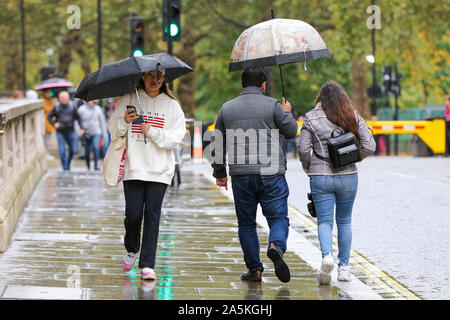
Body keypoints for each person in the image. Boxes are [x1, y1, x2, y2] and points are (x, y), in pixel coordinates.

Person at [210, 68, 298, 283]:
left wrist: (220, 172)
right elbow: (291, 131)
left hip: (241, 174)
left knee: (247, 223)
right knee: (278, 217)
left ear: (241, 84)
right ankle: (276, 245)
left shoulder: (226, 108)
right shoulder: (274, 105)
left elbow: (217, 144)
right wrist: (286, 112)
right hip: (271, 174)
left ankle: (255, 270)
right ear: (263, 85)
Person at [108, 69, 186, 280]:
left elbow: (175, 137)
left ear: (164, 80)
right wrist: (124, 120)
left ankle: (147, 265)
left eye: (159, 77)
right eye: (150, 76)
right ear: (142, 76)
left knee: (153, 216)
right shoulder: (129, 98)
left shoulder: (171, 106)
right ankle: (132, 248)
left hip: (159, 170)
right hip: (134, 168)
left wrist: (151, 131)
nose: (155, 80)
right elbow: (113, 130)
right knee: (133, 215)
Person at [297, 81, 376, 285]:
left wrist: (309, 168)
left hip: (320, 176)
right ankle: (344, 269)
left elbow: (303, 149)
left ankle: (326, 257)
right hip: (348, 176)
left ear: (320, 99)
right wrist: (352, 158)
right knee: (345, 221)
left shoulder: (311, 118)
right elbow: (370, 145)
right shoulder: (351, 115)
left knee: (324, 221)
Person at [47, 91, 85, 171]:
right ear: (59, 99)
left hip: (70, 131)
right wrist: (54, 124)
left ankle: (68, 163)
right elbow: (49, 116)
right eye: (62, 98)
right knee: (62, 151)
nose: (64, 99)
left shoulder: (72, 106)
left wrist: (81, 128)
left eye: (65, 97)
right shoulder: (56, 107)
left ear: (68, 98)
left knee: (72, 150)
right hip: (60, 132)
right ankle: (65, 168)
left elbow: (78, 118)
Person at [78, 100, 107, 171]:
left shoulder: (98, 109)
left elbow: (102, 122)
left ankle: (96, 165)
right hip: (85, 133)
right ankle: (88, 166)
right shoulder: (81, 109)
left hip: (96, 132)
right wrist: (79, 131)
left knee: (96, 147)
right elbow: (77, 120)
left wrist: (104, 135)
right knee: (87, 150)